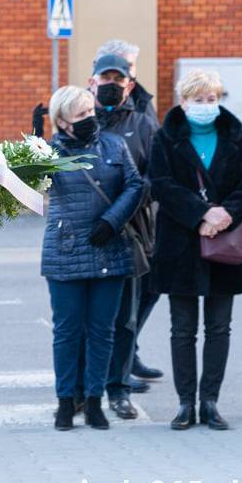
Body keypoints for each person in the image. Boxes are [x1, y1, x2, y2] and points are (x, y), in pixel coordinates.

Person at [149, 70, 242, 431]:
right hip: (180, 244)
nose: (206, 106)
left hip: (225, 243)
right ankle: (184, 403)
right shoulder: (166, 138)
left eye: (212, 99)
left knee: (220, 327)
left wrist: (224, 214)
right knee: (182, 329)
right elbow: (160, 184)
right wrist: (202, 214)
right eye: (198, 99)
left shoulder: (236, 136)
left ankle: (209, 402)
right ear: (183, 101)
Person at [42, 85, 143, 431]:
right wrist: (30, 143)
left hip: (109, 249)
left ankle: (96, 400)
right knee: (67, 332)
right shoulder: (48, 152)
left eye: (90, 111)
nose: (89, 119)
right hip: (65, 252)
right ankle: (66, 402)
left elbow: (134, 185)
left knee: (102, 332)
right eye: (80, 115)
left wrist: (111, 221)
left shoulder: (113, 145)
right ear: (62, 122)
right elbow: (26, 185)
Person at [86, 53, 159, 419]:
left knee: (124, 319)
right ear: (92, 81)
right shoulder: (82, 119)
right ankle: (86, 391)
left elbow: (152, 179)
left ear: (130, 84)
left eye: (119, 78)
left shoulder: (144, 125)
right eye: (105, 78)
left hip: (130, 232)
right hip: (87, 236)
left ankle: (119, 388)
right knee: (88, 319)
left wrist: (119, 214)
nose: (111, 84)